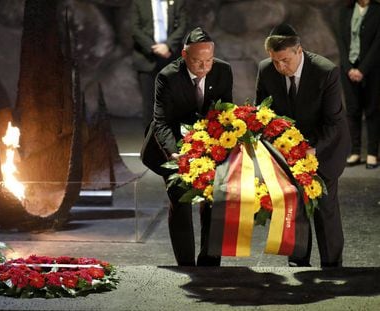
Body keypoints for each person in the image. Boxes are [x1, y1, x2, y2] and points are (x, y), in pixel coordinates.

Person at [256, 23, 351, 268]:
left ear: (299, 50)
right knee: (293, 209)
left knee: (325, 210)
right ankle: (297, 264)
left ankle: (332, 266)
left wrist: (311, 149)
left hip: (324, 149)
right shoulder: (266, 70)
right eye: (275, 61)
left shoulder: (325, 71)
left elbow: (333, 122)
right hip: (286, 152)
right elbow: (262, 114)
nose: (280, 67)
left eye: (285, 60)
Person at [141, 27, 233, 266]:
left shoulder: (223, 71)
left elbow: (225, 114)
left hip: (208, 144)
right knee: (180, 199)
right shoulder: (167, 76)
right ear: (184, 55)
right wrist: (176, 155)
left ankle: (210, 262)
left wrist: (217, 149)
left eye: (208, 61)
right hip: (171, 145)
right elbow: (161, 122)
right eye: (197, 61)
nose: (204, 67)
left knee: (213, 199)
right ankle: (186, 264)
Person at [336, 0, 380, 169]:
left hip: (372, 69)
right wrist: (349, 69)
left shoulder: (377, 10)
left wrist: (362, 69)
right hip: (348, 69)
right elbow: (341, 41)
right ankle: (355, 152)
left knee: (372, 110)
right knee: (353, 110)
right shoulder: (345, 10)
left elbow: (378, 44)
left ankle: (372, 154)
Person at [131, 0, 188, 127]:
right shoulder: (139, 3)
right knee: (149, 105)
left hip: (171, 58)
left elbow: (183, 25)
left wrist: (168, 46)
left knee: (172, 103)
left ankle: (170, 142)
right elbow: (135, 29)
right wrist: (152, 47)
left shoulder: (177, 2)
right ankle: (151, 143)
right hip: (146, 59)